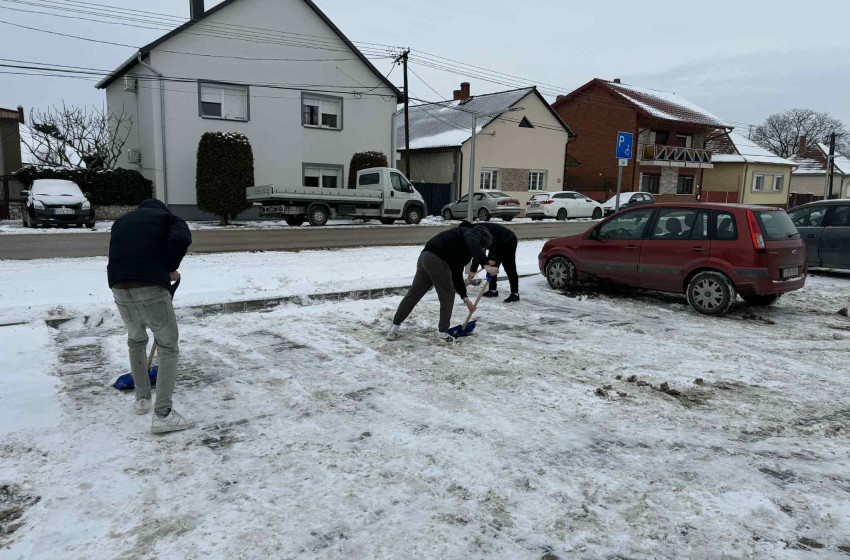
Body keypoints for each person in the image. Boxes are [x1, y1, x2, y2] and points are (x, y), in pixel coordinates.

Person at [108, 199, 193, 434]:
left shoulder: (122, 221)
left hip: (118, 285)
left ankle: (142, 399)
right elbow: (181, 239)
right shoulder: (168, 219)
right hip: (150, 286)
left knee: (136, 340)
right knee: (168, 346)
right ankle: (163, 414)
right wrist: (168, 267)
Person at [388, 224, 497, 344]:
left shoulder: (460, 246)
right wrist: (485, 264)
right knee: (447, 295)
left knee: (414, 294)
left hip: (425, 257)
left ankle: (394, 328)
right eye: (482, 246)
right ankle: (442, 335)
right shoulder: (469, 232)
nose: (480, 249)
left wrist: (465, 299)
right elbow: (473, 241)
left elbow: (456, 274)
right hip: (437, 259)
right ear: (480, 240)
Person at [463, 221, 520, 303]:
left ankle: (515, 294)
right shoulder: (473, 233)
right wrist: (473, 270)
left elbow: (493, 242)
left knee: (509, 266)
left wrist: (493, 258)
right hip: (496, 243)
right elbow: (478, 252)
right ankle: (493, 290)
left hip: (508, 240)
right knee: (490, 266)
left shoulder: (479, 230)